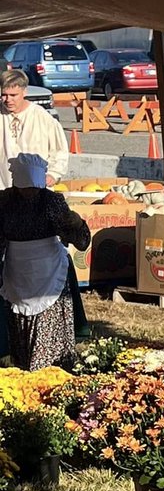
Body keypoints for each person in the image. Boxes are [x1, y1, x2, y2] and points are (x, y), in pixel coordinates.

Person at [0, 154, 90, 370]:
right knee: (19, 324)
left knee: (47, 324)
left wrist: (76, 224)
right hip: (17, 271)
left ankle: (50, 369)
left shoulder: (52, 202)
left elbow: (80, 241)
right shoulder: (4, 201)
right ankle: (23, 368)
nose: (29, 193)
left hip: (49, 270)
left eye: (33, 188)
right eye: (25, 188)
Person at [0, 69, 68, 189]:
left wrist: (53, 173)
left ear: (24, 92)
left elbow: (59, 150)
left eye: (13, 95)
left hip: (35, 189)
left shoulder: (42, 117)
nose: (8, 100)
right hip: (4, 188)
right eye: (4, 95)